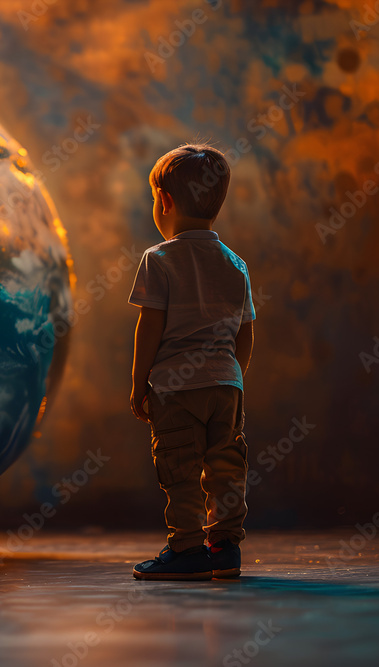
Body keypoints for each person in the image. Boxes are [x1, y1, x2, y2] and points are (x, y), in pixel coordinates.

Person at [127, 144, 254, 580]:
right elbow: (245, 331)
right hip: (226, 386)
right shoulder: (236, 265)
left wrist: (139, 384)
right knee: (225, 468)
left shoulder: (158, 259)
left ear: (165, 202)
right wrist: (231, 377)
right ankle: (225, 549)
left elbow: (150, 329)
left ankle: (186, 550)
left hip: (174, 388)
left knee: (180, 470)